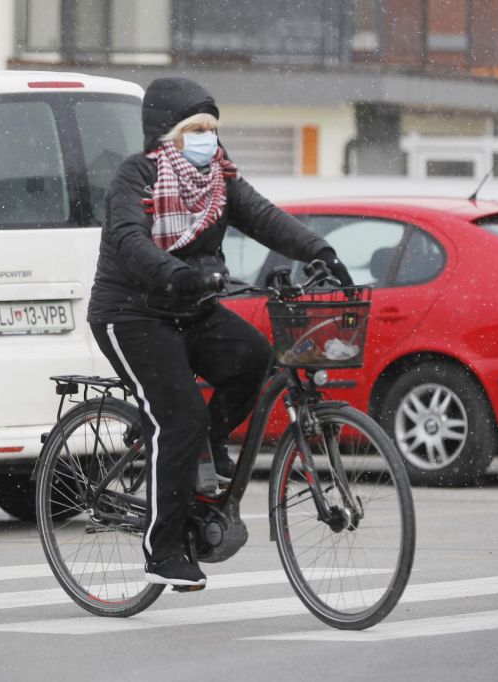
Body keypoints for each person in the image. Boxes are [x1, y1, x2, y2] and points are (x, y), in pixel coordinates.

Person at [87, 77, 352, 588]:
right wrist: (174, 271)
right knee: (178, 415)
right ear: (168, 133)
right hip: (132, 311)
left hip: (193, 306)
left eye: (212, 127)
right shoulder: (136, 177)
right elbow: (128, 240)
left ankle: (207, 442)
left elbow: (265, 218)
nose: (209, 137)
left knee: (254, 356)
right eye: (196, 128)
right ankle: (163, 551)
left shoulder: (220, 179)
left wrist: (320, 250)